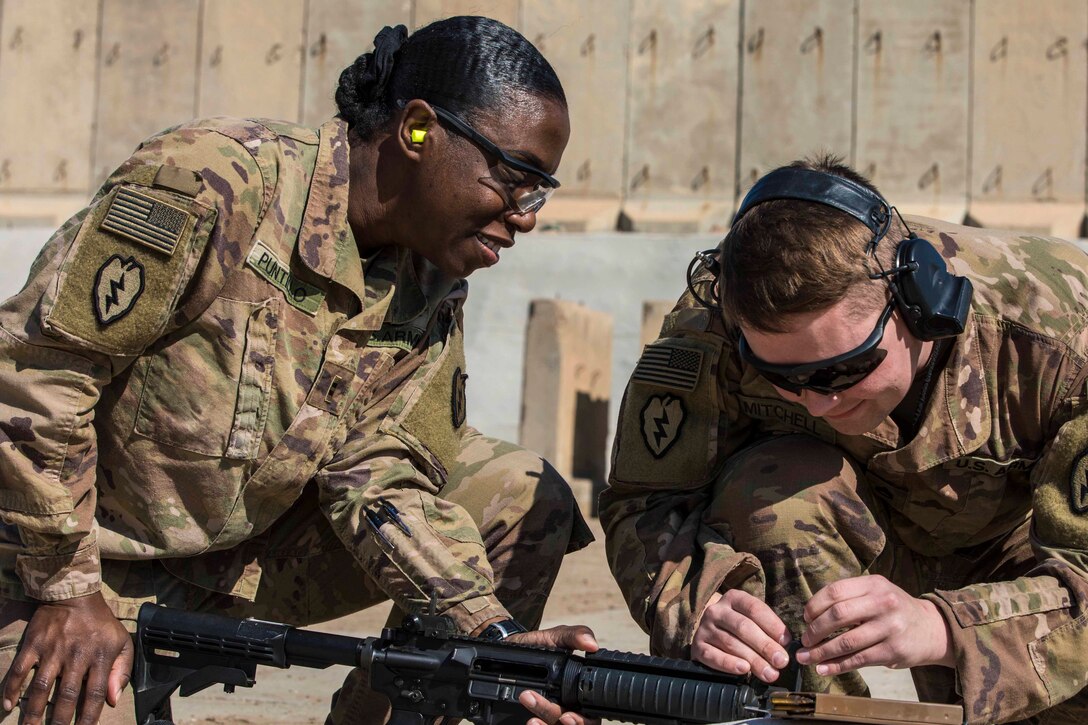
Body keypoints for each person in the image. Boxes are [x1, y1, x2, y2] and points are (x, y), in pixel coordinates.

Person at [0, 17, 597, 725]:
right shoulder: (217, 182)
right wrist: (67, 588)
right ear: (415, 130)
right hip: (65, 558)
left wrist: (488, 636)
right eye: (514, 177)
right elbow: (38, 369)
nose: (525, 217)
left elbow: (380, 472)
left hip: (243, 560)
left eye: (538, 191)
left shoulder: (429, 277)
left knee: (518, 495)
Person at [601, 156, 1088, 724]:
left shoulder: (1062, 329)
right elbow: (646, 502)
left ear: (919, 305)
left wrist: (944, 626)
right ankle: (803, 715)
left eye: (843, 370)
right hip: (855, 533)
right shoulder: (709, 328)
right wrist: (700, 604)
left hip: (1029, 561)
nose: (818, 403)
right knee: (774, 493)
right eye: (783, 378)